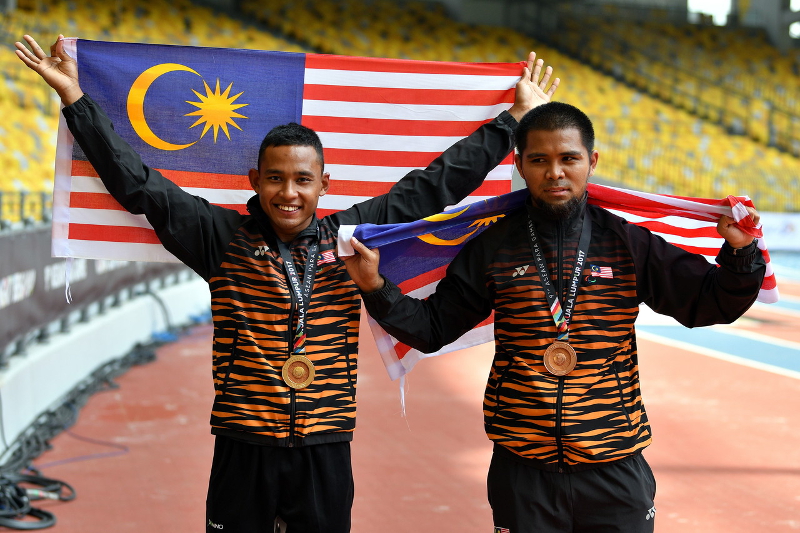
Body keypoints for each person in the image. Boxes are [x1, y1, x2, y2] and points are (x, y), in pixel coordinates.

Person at [15, 34, 561, 532]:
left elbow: (433, 187)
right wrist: (74, 100)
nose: (288, 192)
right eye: (275, 178)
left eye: (303, 179)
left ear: (325, 184)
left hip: (325, 448)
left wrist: (510, 122)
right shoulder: (219, 237)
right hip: (242, 445)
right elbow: (137, 183)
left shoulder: (350, 238)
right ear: (255, 180)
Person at [343, 101, 766, 533]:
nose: (555, 172)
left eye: (569, 158)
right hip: (523, 470)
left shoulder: (626, 243)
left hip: (614, 467)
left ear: (591, 161)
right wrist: (376, 288)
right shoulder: (493, 246)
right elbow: (433, 329)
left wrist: (740, 253)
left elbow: (710, 303)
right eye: (539, 160)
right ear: (521, 166)